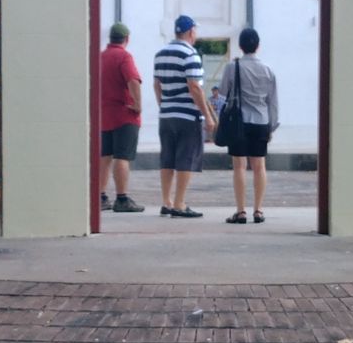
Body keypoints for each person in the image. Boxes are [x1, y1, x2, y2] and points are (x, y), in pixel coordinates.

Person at [153, 14, 216, 218]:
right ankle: (180, 203)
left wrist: (164, 105)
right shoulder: (191, 55)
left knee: (167, 159)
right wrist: (207, 116)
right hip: (187, 116)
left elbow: (156, 84)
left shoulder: (160, 54)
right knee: (185, 159)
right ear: (190, 32)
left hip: (166, 115)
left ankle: (166, 202)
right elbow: (195, 87)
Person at [216, 26, 279, 224]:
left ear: (240, 46)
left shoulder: (232, 67)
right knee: (259, 165)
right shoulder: (268, 70)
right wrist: (272, 126)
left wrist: (219, 119)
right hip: (261, 121)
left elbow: (223, 94)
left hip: (239, 123)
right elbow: (272, 102)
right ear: (258, 46)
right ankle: (258, 210)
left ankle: (241, 211)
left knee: (239, 166)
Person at [97, 22, 145, 213]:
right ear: (127, 39)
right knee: (122, 157)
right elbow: (133, 80)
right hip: (124, 115)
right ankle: (122, 198)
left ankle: (100, 197)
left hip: (104, 115)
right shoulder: (124, 56)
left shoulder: (100, 57)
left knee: (104, 157)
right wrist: (138, 105)